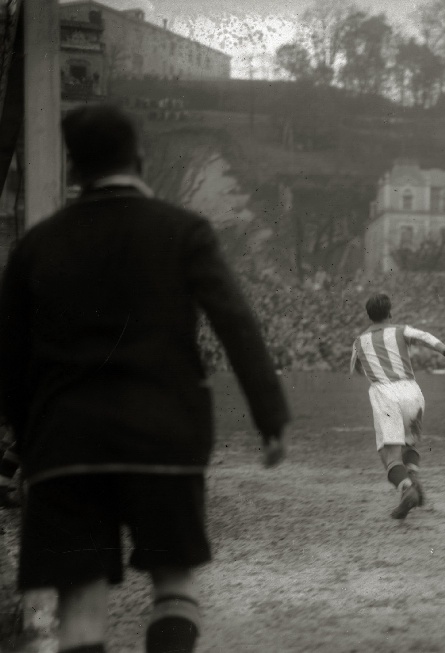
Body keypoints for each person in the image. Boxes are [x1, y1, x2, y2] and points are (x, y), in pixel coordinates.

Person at [0, 104, 290, 653]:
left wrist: (27, 441)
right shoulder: (182, 231)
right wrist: (270, 417)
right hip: (163, 436)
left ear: (73, 167)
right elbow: (235, 321)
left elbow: (9, 358)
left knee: (80, 608)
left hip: (66, 446)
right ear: (139, 157)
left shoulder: (36, 245)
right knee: (174, 584)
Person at [350, 293, 445, 519]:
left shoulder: (359, 341)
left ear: (368, 316)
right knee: (409, 444)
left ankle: (407, 490)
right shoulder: (401, 330)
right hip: (412, 392)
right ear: (390, 313)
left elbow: (356, 368)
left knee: (389, 455)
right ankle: (413, 478)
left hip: (385, 394)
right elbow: (425, 337)